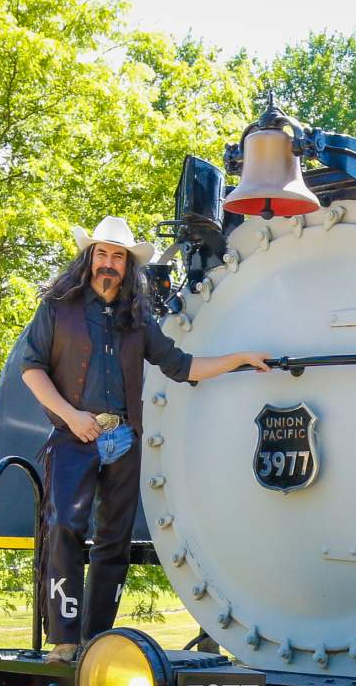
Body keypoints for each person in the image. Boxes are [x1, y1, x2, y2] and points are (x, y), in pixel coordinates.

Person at [21, 215, 270, 662]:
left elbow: (183, 366)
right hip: (74, 435)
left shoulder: (138, 319)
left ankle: (96, 637)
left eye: (118, 256)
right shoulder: (59, 309)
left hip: (123, 441)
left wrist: (239, 360)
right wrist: (71, 416)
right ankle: (64, 639)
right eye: (102, 254)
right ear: (88, 258)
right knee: (64, 528)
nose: (109, 264)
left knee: (113, 540)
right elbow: (32, 369)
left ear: (127, 266)